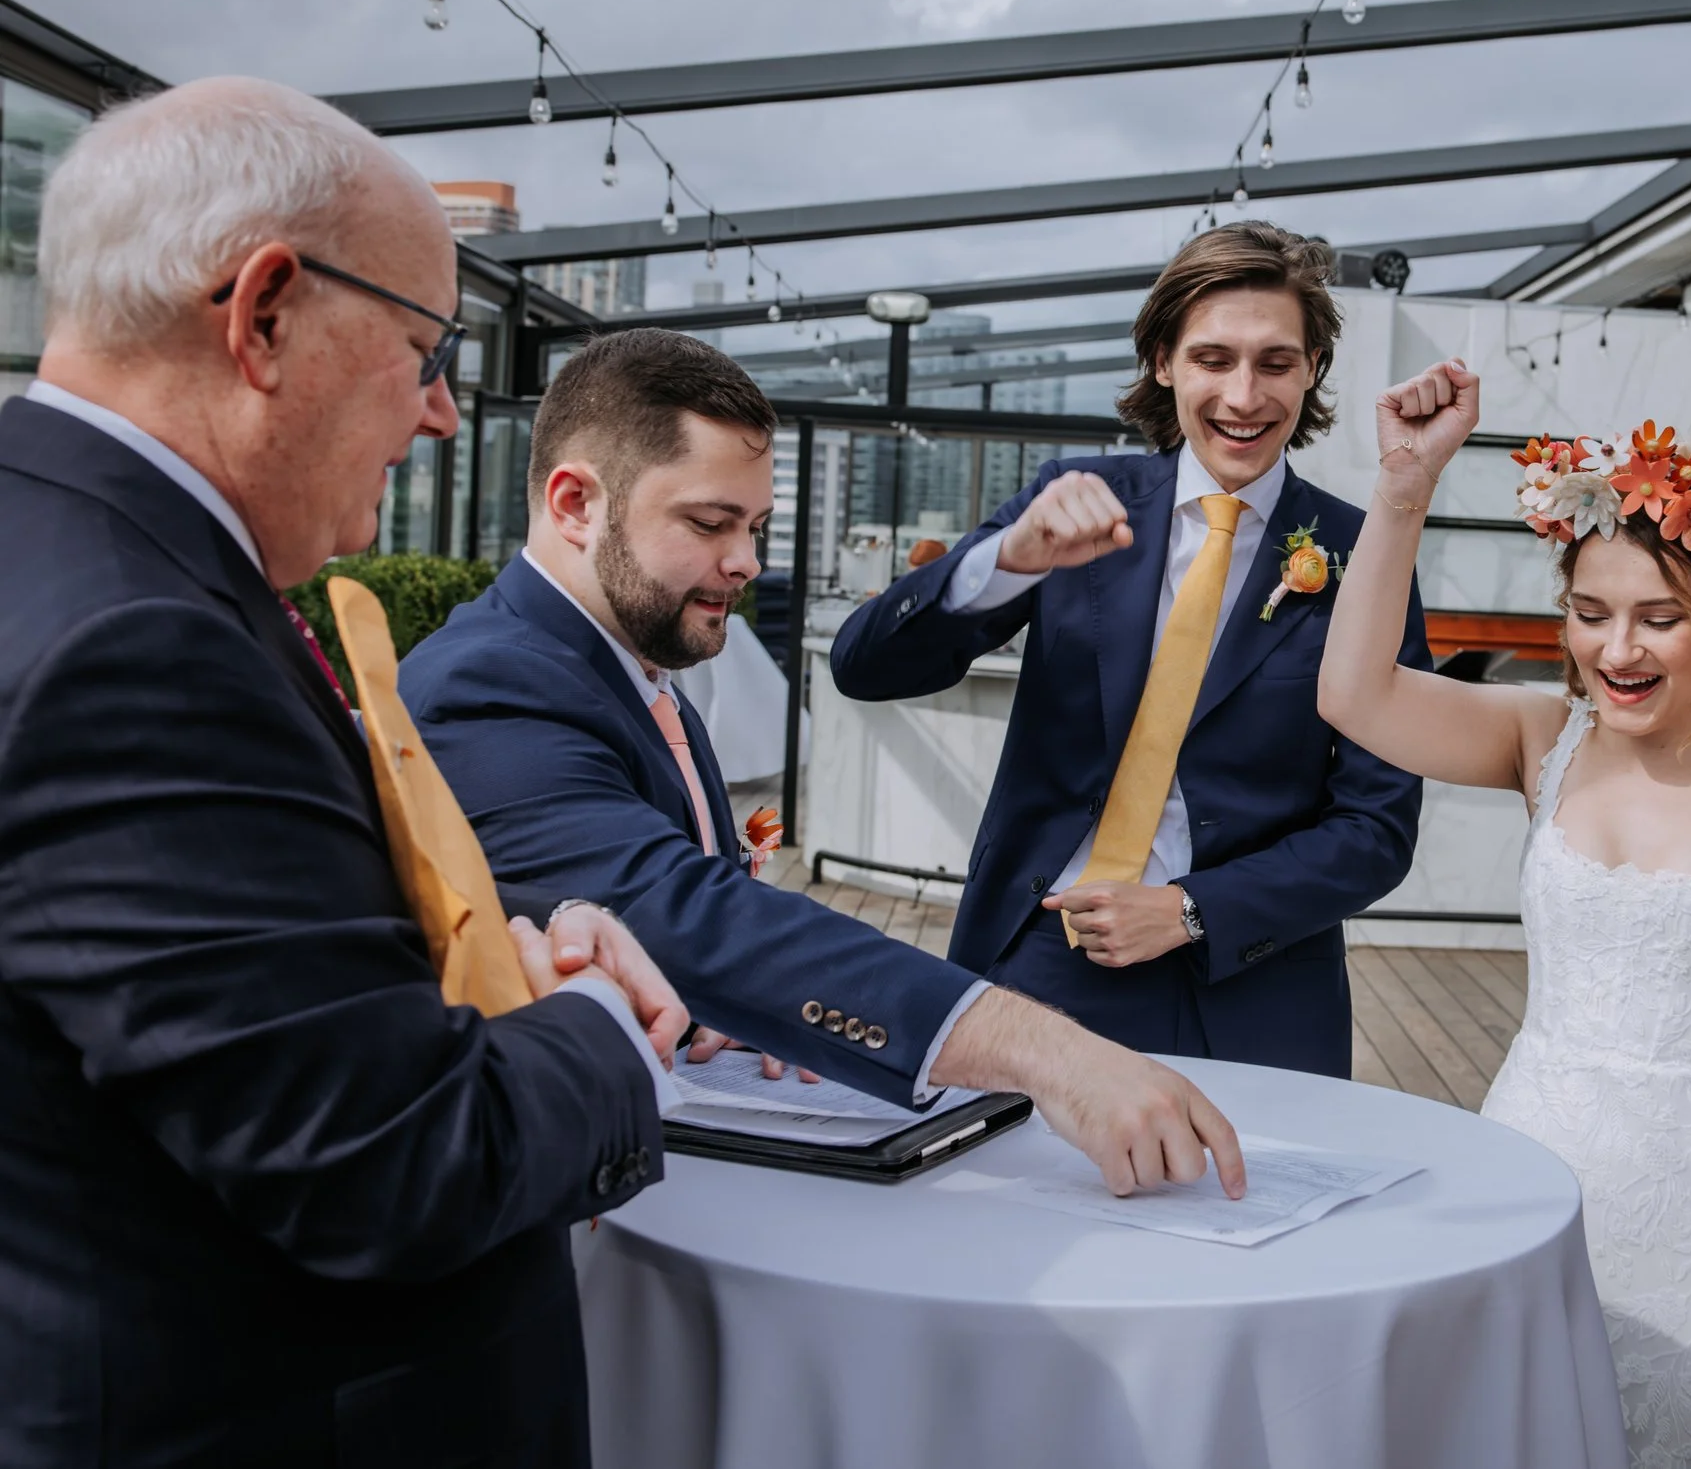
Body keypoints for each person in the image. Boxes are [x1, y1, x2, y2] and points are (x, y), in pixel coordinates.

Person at [0, 78, 690, 1468]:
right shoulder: (140, 644)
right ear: (264, 312)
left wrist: (471, 980)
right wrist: (608, 1026)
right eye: (426, 347)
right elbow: (390, 1162)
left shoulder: (64, 554)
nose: (441, 412)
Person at [401, 329, 1246, 1197]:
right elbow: (679, 910)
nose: (747, 562)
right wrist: (1054, 1054)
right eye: (709, 522)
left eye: (757, 526)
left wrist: (722, 1008)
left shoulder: (622, 660)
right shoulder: (489, 683)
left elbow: (674, 942)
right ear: (576, 503)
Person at [1317, 359, 1691, 1468]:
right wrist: (1400, 491)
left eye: (1656, 619)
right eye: (1589, 614)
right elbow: (1354, 695)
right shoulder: (1544, 736)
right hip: (1532, 1156)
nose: (1615, 650)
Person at [828, 221, 1432, 1076]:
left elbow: (1376, 826)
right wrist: (1005, 560)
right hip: (1034, 960)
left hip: (1253, 989)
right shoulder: (1072, 501)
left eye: (1276, 362)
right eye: (1213, 358)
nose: (1245, 394)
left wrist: (1193, 908)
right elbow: (863, 665)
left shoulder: (1361, 556)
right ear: (1164, 360)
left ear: (1311, 372)